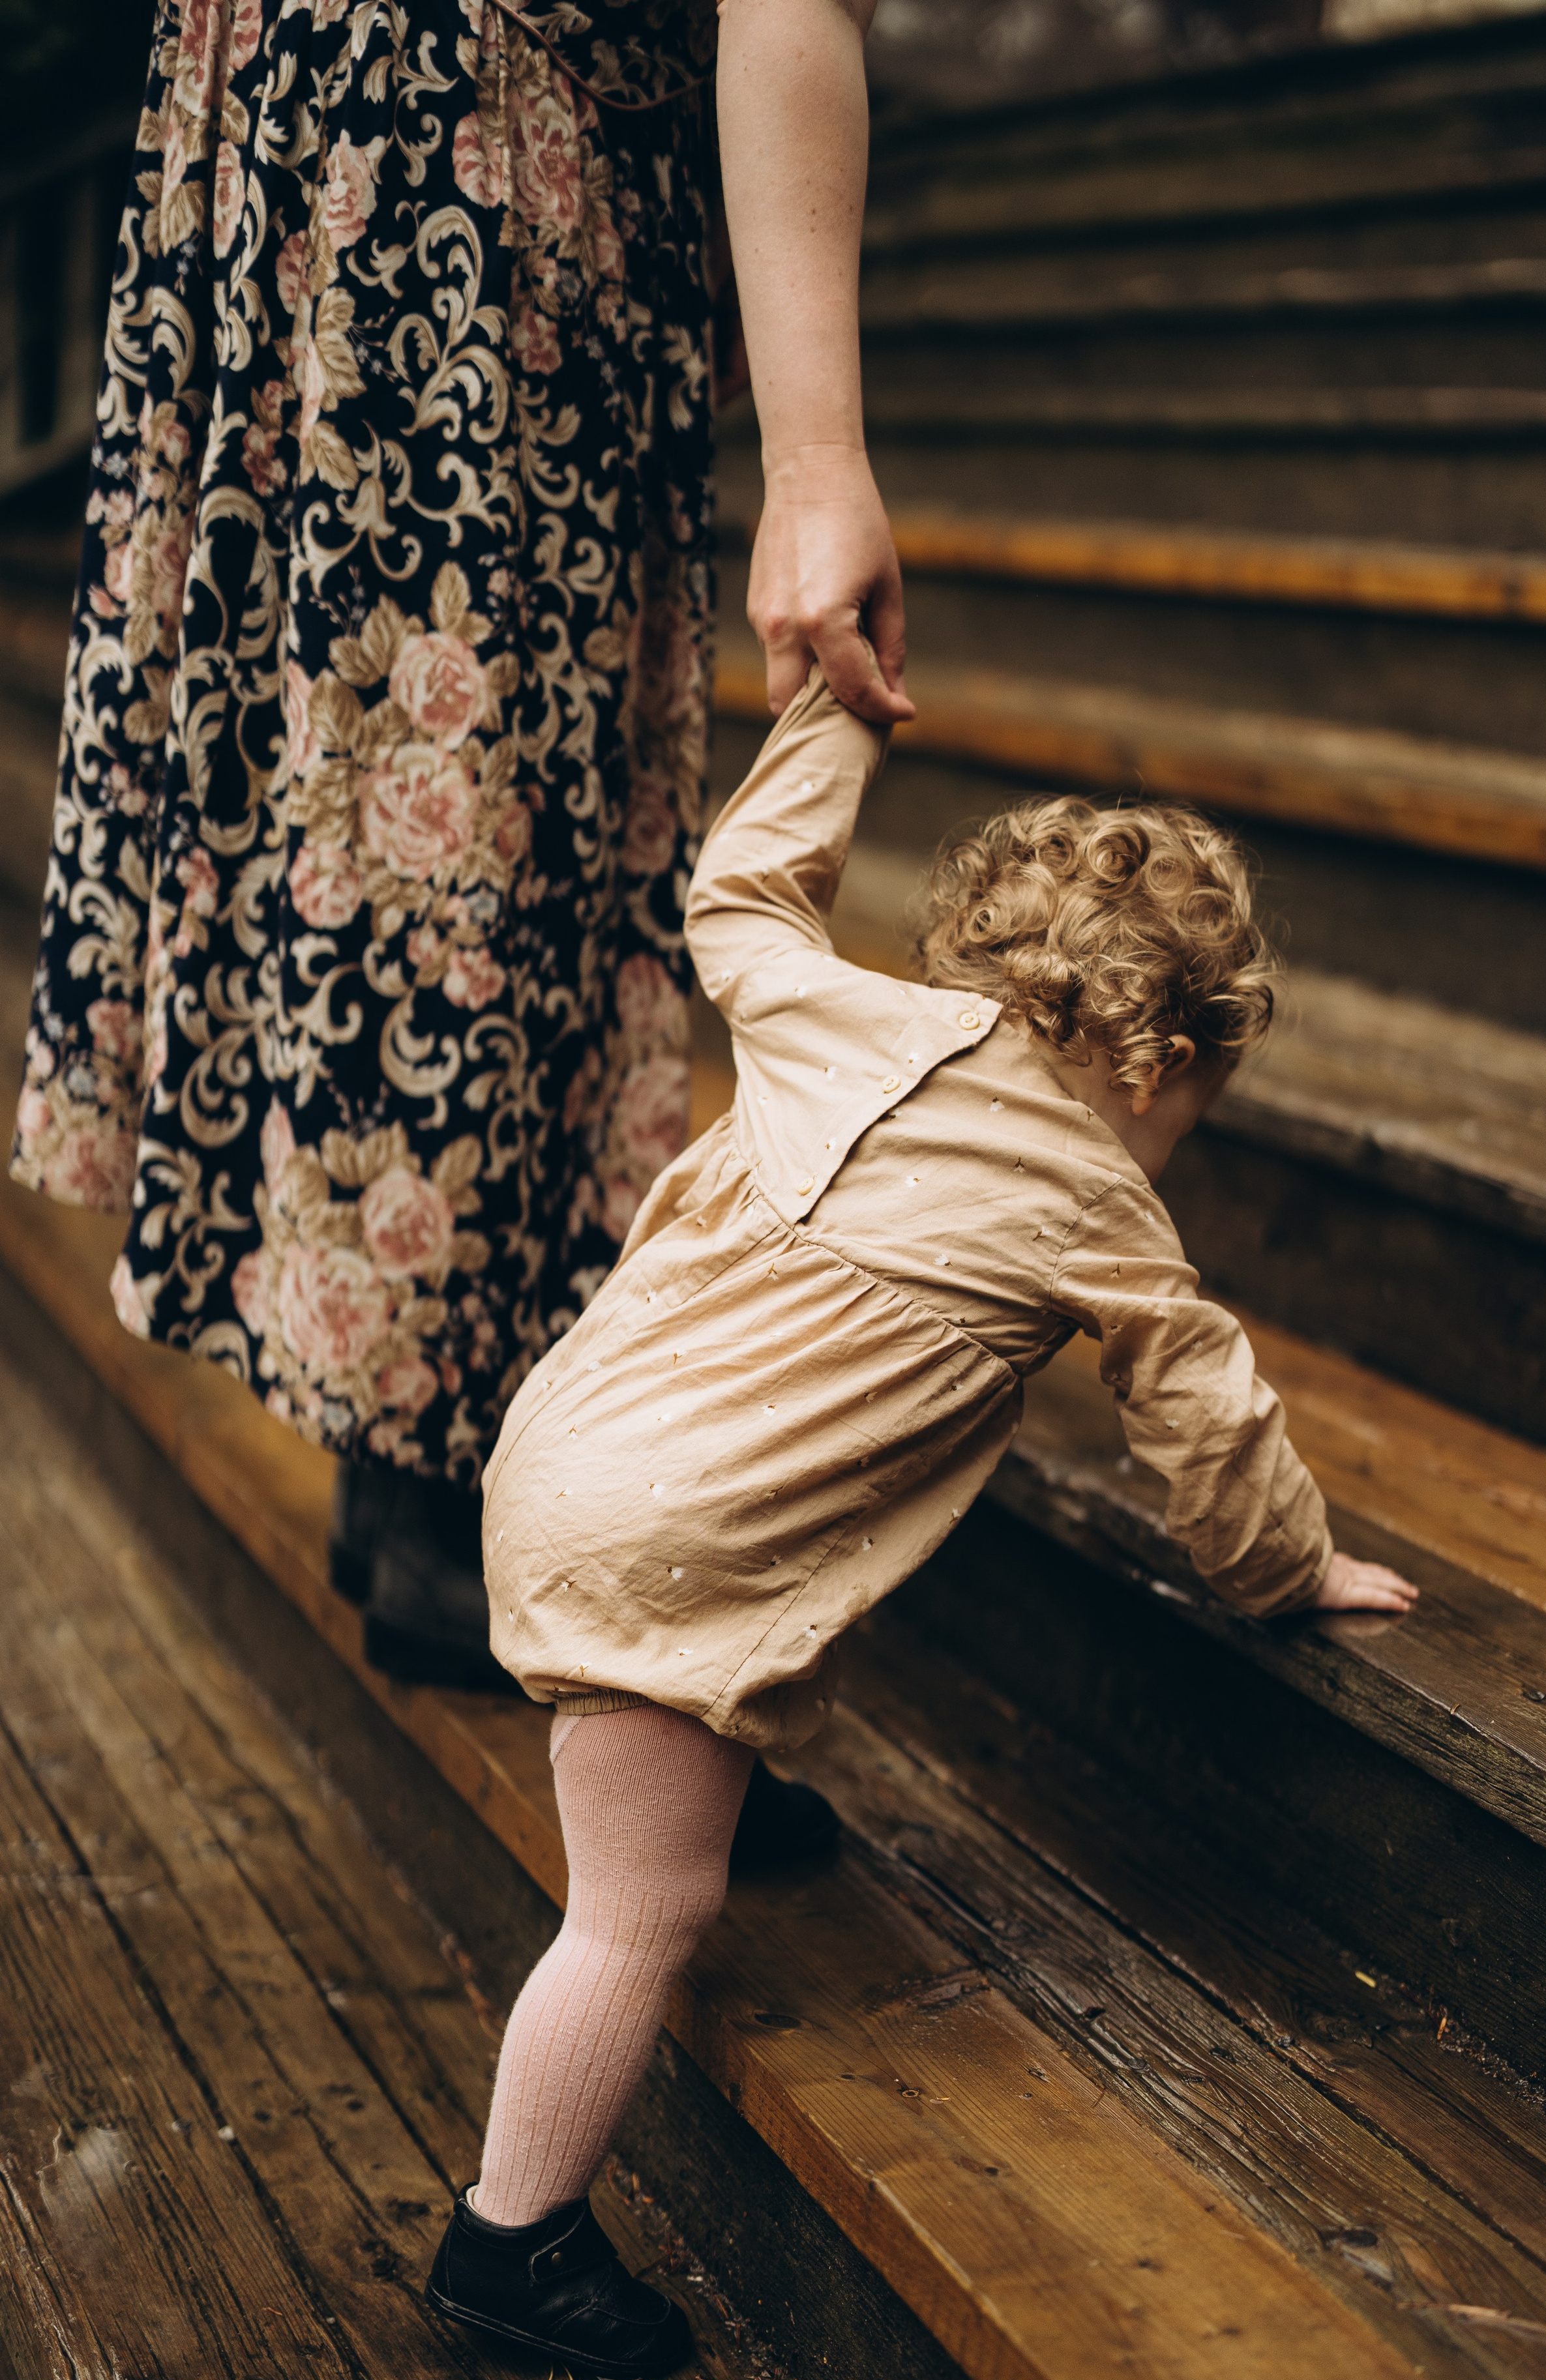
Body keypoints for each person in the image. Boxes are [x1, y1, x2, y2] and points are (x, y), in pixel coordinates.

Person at [422, 668, 1420, 2375]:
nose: (1174, 1149)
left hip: (562, 1445)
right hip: (674, 1547)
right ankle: (511, 2242)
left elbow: (736, 886)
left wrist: (837, 719)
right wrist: (1291, 1569)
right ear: (1163, 1062)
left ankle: (725, 1789)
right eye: (1193, 1113)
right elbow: (1209, 1419)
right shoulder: (1104, 1211)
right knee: (636, 1918)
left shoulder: (832, 1010)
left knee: (714, 1666)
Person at [7, 0, 907, 1868]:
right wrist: (821, 460)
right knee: (462, 774)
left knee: (359, 762)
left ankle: (400, 1453)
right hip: (464, 157)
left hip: (288, 147)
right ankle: (452, 1502)